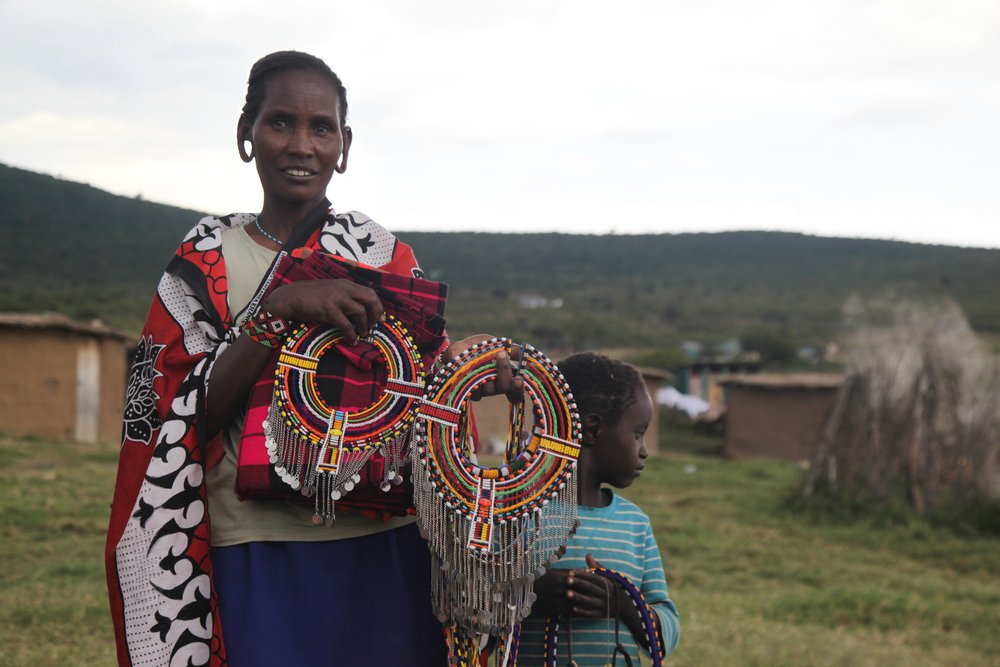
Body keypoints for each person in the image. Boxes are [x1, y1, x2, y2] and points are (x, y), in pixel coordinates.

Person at [105, 50, 519, 667]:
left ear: (344, 145)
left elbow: (421, 386)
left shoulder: (384, 256)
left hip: (385, 539)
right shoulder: (200, 263)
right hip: (259, 545)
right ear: (247, 135)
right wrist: (283, 308)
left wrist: (470, 367)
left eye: (321, 127)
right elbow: (169, 420)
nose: (301, 144)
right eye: (280, 123)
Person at [515, 352, 681, 665]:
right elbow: (471, 609)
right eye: (638, 433)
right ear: (592, 430)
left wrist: (624, 605)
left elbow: (665, 636)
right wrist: (529, 593)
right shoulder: (518, 516)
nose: (644, 451)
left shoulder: (635, 525)